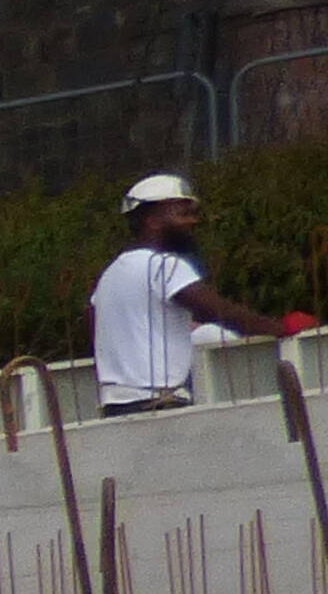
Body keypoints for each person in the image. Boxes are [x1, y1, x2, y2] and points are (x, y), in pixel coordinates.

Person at [89, 174, 282, 415]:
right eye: (182, 214)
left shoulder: (111, 274)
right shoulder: (162, 265)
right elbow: (220, 311)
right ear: (152, 219)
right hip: (157, 402)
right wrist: (284, 330)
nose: (193, 222)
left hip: (116, 404)